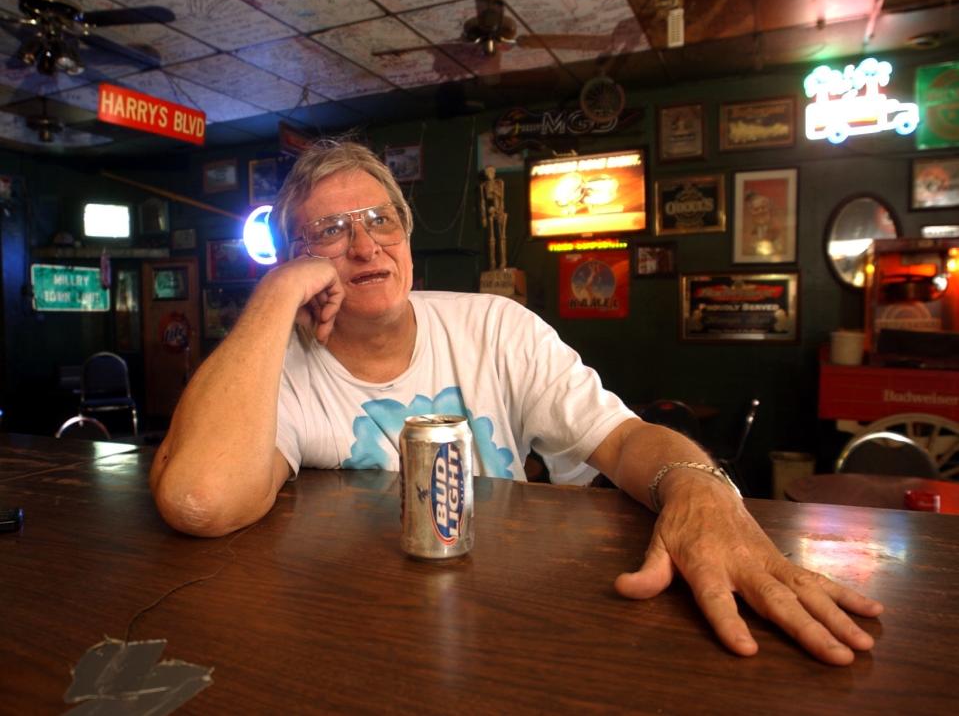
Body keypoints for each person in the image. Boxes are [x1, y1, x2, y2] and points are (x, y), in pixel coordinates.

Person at [150, 139, 882, 666]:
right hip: (346, 644)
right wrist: (278, 291)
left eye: (381, 219)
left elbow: (625, 442)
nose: (365, 244)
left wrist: (701, 489)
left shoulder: (496, 326)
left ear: (406, 236)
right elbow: (197, 499)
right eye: (330, 231)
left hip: (512, 629)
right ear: (294, 255)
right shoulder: (278, 364)